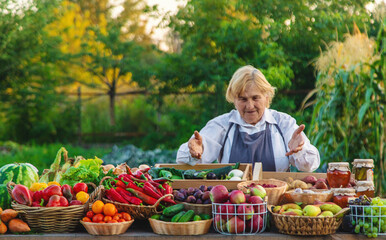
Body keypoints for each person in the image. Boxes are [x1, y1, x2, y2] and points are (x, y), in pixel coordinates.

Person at [176, 65, 320, 172]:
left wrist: (299, 150)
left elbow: (312, 164)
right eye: (243, 99)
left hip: (277, 206)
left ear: (266, 97)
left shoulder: (283, 123)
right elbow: (182, 161)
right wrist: (194, 151)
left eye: (255, 98)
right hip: (232, 208)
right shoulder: (222, 125)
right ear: (234, 100)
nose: (250, 106)